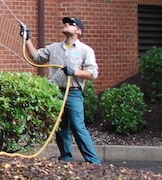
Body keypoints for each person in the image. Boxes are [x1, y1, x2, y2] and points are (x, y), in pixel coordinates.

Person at [20, 16, 101, 164]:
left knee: (78, 126)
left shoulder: (85, 50)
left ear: (79, 31)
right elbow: (37, 58)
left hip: (73, 93)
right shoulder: (53, 48)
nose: (66, 25)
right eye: (65, 23)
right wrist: (27, 39)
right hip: (55, 92)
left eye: (71, 24)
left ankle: (93, 162)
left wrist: (74, 72)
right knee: (61, 126)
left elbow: (92, 73)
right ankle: (65, 158)